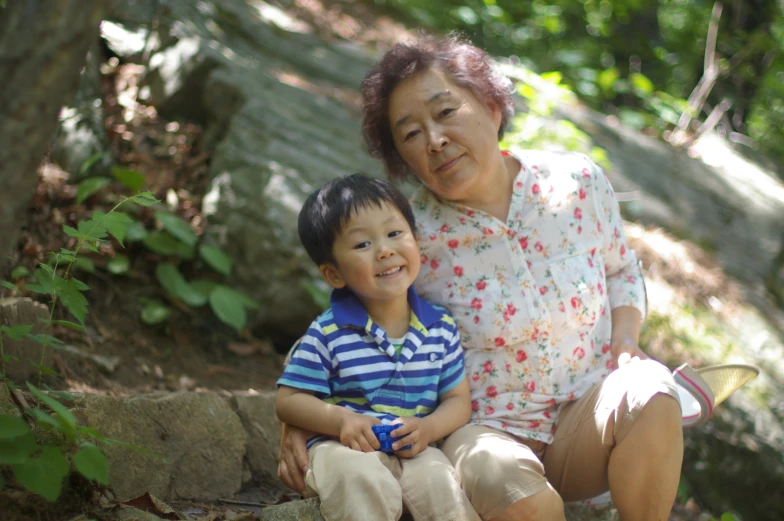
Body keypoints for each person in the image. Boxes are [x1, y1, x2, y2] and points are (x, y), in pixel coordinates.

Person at [279, 35, 684, 521]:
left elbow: (621, 267)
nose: (434, 139)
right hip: (482, 435)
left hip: (588, 419)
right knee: (510, 487)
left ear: (491, 106)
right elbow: (349, 326)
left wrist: (625, 341)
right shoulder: (409, 239)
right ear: (401, 160)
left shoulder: (576, 183)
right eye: (410, 134)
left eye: (446, 112)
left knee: (653, 389)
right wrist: (307, 422)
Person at [276, 173, 480, 521]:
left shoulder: (440, 327)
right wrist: (343, 420)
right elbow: (288, 400)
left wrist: (429, 429)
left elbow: (457, 401)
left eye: (394, 233)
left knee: (441, 485)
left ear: (415, 239)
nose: (385, 250)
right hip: (340, 448)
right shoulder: (329, 331)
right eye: (362, 245)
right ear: (334, 274)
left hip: (415, 447)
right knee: (360, 477)